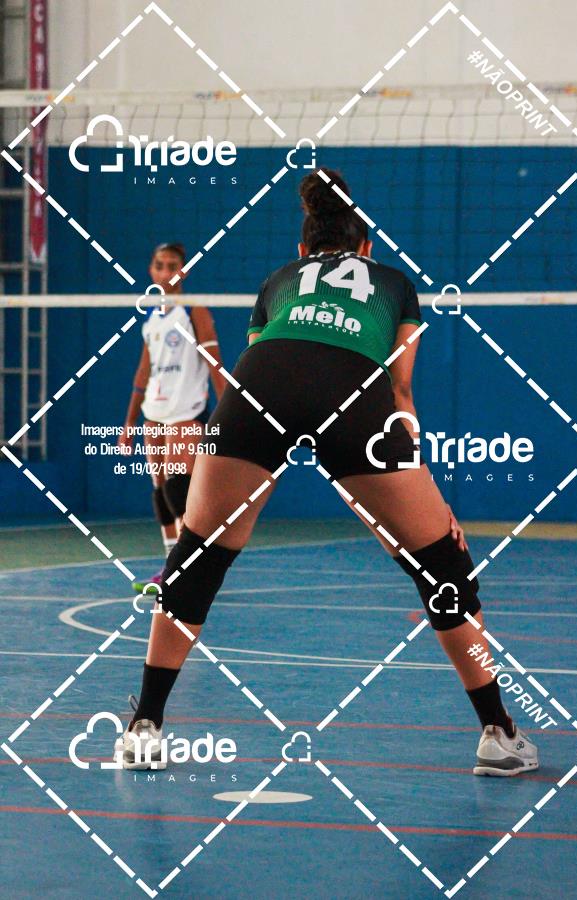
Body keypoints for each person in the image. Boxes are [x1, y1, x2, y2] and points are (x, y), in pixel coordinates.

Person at [116, 172, 538, 777]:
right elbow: (399, 391)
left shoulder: (278, 281)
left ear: (302, 249)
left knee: (197, 557)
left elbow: (273, 366)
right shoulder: (394, 283)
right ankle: (498, 735)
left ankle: (145, 728)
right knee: (443, 567)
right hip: (353, 387)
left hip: (259, 381)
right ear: (366, 246)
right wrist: (426, 499)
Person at [118, 242, 226, 594]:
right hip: (154, 413)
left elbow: (215, 364)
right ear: (152, 270)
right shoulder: (151, 319)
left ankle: (188, 569)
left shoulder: (194, 310)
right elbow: (142, 373)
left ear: (184, 271)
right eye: (160, 265)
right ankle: (170, 567)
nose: (166, 272)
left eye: (173, 266)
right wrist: (129, 424)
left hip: (186, 412)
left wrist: (229, 413)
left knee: (180, 488)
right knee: (161, 490)